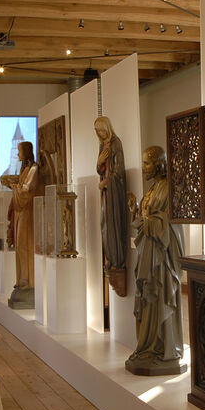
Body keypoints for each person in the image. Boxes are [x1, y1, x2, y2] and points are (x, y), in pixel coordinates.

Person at [126, 145, 186, 375]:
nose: (143, 168)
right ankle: (149, 346)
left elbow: (170, 223)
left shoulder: (169, 188)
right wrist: (135, 211)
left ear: (159, 164)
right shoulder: (152, 188)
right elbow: (145, 219)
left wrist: (149, 221)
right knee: (148, 298)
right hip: (148, 254)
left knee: (159, 296)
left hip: (162, 258)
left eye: (146, 163)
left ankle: (163, 347)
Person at [0, 139, 39, 307]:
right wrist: (13, 185)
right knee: (20, 245)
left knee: (25, 245)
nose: (18, 154)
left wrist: (13, 185)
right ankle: (22, 279)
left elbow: (26, 192)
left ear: (26, 152)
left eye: (20, 151)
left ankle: (28, 281)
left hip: (27, 212)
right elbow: (22, 188)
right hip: (20, 211)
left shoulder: (34, 169)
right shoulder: (26, 169)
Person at [95, 117, 132, 298]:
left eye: (101, 130)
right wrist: (99, 162)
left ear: (107, 128)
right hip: (106, 195)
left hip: (114, 195)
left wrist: (106, 182)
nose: (99, 134)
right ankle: (110, 260)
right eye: (97, 131)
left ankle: (117, 261)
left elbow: (119, 172)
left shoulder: (116, 144)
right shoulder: (103, 146)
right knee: (105, 226)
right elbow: (101, 169)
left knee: (114, 226)